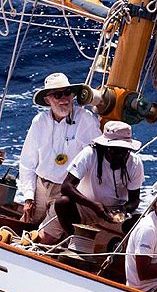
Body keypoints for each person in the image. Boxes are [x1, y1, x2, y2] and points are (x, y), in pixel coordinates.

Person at [37, 121, 145, 246]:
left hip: (117, 210)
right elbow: (66, 186)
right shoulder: (89, 154)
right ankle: (74, 240)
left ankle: (125, 256)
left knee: (139, 223)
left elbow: (134, 200)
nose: (119, 155)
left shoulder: (135, 163)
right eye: (115, 150)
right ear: (105, 147)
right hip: (86, 206)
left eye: (124, 151)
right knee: (62, 203)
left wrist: (124, 210)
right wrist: (94, 205)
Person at [17, 73, 101, 224]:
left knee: (45, 236)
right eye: (58, 94)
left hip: (66, 192)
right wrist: (29, 197)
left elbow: (96, 161)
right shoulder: (39, 122)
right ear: (47, 100)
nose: (64, 98)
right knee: (26, 227)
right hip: (40, 187)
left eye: (67, 93)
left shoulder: (85, 120)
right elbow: (27, 162)